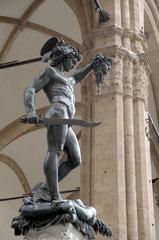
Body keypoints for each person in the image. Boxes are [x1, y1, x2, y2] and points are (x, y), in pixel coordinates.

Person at [23, 37, 110, 201]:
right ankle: (55, 197)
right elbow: (30, 89)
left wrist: (92, 65)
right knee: (55, 151)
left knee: (75, 159)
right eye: (73, 61)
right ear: (65, 56)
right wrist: (30, 111)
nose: (73, 65)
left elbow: (77, 76)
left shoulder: (67, 80)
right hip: (58, 112)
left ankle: (45, 188)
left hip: (66, 119)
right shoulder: (49, 72)